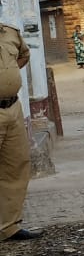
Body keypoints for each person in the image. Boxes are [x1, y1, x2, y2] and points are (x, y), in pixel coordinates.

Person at [0, 21, 40, 242]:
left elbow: (24, 55)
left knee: (15, 167)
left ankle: (9, 227)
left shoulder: (10, 33)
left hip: (13, 109)